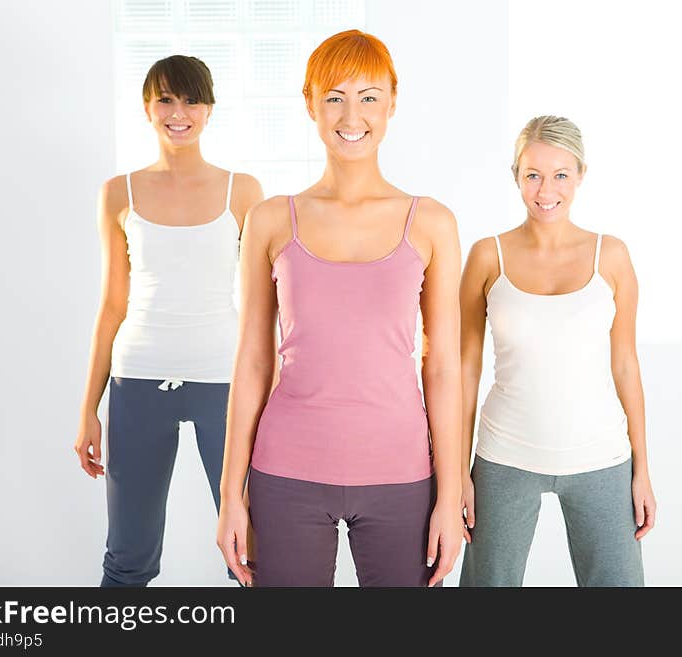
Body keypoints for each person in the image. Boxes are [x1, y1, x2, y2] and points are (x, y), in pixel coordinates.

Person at [215, 30, 463, 587]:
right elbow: (253, 362)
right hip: (286, 474)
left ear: (393, 102)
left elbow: (443, 367)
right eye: (334, 97)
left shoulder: (432, 223)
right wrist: (232, 495)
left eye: (369, 96)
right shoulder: (271, 220)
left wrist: (449, 497)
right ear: (310, 103)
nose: (352, 114)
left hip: (401, 475)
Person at [73, 55, 263, 587]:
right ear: (147, 107)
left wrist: (271, 391)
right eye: (166, 100)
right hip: (137, 378)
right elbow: (112, 304)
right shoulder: (118, 193)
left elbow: (260, 306)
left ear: (209, 109)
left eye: (191, 100)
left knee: (250, 555)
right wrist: (89, 408)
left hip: (223, 380)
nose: (179, 113)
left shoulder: (243, 191)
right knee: (128, 557)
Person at [459, 115, 656, 587]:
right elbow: (464, 369)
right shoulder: (488, 255)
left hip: (601, 458)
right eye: (533, 175)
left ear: (581, 175)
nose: (546, 189)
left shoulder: (611, 256)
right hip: (504, 456)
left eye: (561, 175)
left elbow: (626, 365)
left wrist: (642, 469)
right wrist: (456, 475)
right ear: (516, 177)